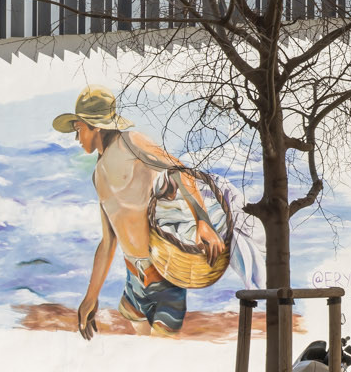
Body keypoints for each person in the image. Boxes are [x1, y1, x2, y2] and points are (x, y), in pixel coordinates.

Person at [53, 88, 223, 338]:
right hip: (134, 280)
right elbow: (108, 241)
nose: (77, 137)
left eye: (79, 129)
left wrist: (203, 222)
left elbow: (181, 171)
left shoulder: (131, 142)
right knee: (144, 351)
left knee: (162, 351)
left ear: (95, 126)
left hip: (164, 271)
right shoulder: (98, 174)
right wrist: (90, 298)